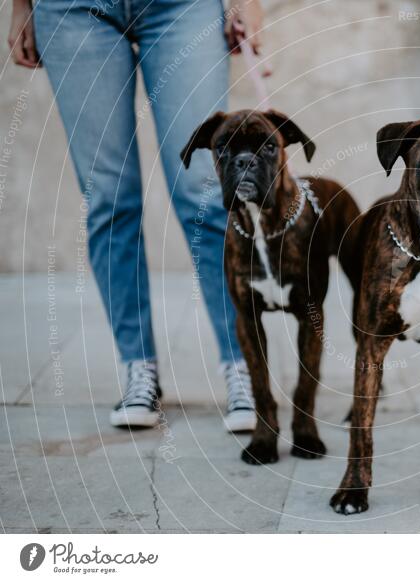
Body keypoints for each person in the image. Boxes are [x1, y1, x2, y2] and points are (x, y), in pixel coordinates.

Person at [8, 0, 266, 431]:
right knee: (109, 197)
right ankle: (138, 367)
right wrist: (21, 6)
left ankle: (243, 366)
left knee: (203, 193)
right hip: (71, 11)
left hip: (183, 8)